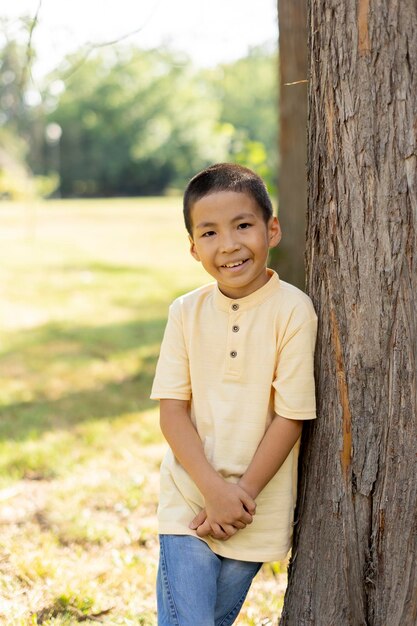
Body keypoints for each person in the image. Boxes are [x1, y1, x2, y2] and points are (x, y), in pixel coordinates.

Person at [150, 163, 318, 626]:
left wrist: (239, 494)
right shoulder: (185, 312)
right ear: (193, 247)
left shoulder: (294, 311)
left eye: (243, 225)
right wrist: (211, 490)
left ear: (272, 228)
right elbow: (172, 412)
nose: (228, 245)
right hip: (189, 500)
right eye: (209, 232)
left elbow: (291, 415)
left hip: (254, 508)